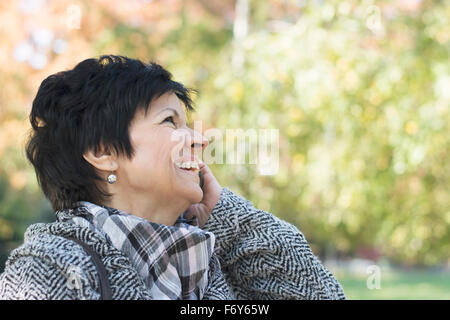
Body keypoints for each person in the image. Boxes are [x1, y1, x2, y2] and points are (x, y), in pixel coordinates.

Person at [0, 55, 346, 300]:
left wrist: (228, 217)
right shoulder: (49, 269)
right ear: (103, 151)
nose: (199, 140)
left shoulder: (211, 260)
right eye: (170, 122)